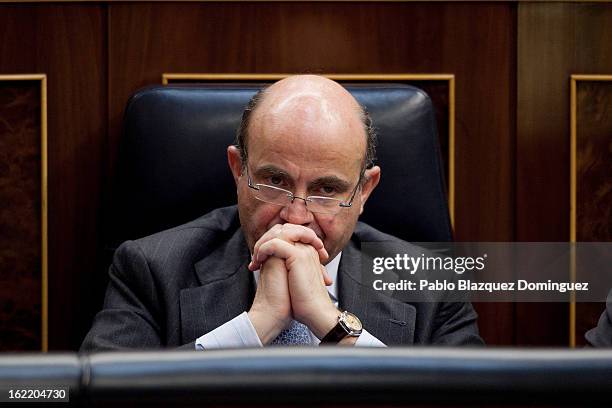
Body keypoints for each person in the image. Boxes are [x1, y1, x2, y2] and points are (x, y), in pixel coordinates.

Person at [81, 75, 483, 350]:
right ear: (239, 171)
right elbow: (105, 398)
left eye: (326, 189)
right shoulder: (150, 268)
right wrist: (256, 326)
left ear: (364, 190)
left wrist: (333, 325)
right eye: (274, 181)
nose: (295, 216)